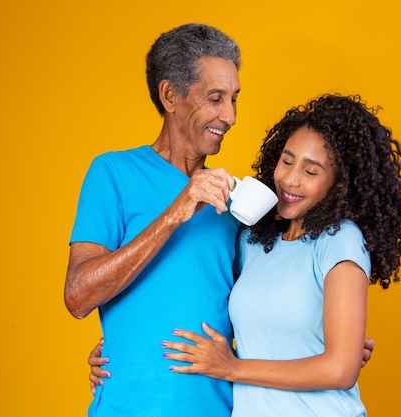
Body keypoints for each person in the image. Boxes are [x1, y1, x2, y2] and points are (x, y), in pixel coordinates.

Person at [68, 22, 375, 416]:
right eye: (215, 98)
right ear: (170, 95)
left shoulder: (238, 206)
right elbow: (78, 296)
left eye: (234, 99)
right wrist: (175, 213)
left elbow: (262, 301)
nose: (229, 116)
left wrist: (333, 342)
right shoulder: (114, 173)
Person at [158, 94, 401, 416]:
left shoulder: (339, 241)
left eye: (310, 171)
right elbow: (205, 302)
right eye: (287, 160)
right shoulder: (253, 242)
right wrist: (122, 342)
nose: (289, 179)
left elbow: (340, 370)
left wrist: (231, 368)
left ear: (338, 185)